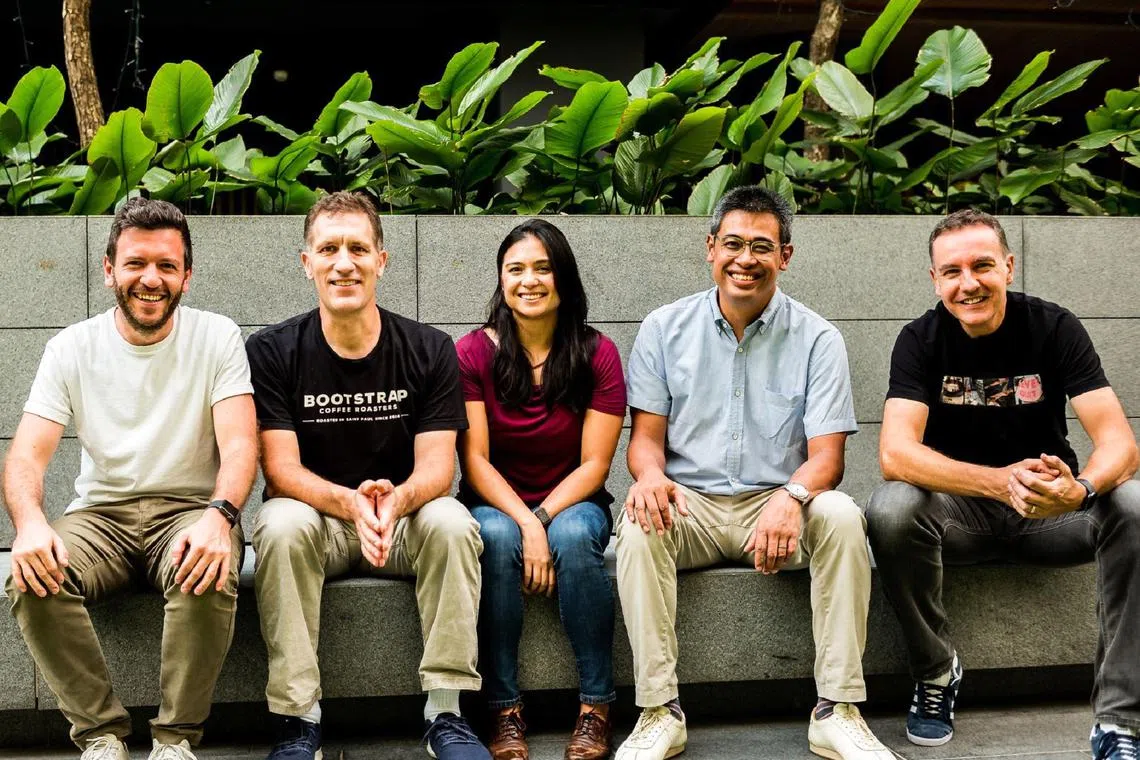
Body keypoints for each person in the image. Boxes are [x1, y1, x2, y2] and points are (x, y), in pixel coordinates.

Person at [614, 185, 893, 760]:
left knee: (841, 516)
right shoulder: (663, 330)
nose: (746, 259)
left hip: (779, 506)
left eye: (762, 247)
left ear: (784, 256)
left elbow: (828, 459)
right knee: (638, 523)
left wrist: (792, 496)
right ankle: (658, 712)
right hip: (689, 505)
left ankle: (837, 710)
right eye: (733, 243)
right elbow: (644, 443)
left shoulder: (818, 339)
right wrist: (648, 478)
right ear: (710, 248)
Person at [865, 209, 1140, 759]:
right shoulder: (920, 340)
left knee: (1134, 502)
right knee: (891, 507)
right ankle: (937, 672)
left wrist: (1080, 490)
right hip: (959, 517)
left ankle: (1119, 720)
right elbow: (895, 454)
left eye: (982, 265)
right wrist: (998, 483)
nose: (969, 283)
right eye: (952, 271)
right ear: (935, 279)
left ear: (1008, 267)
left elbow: (1121, 445)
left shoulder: (1054, 327)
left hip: (1051, 514)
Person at [3, 198, 256, 760]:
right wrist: (30, 524)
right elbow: (26, 454)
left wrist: (221, 517)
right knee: (30, 575)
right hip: (101, 517)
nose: (151, 279)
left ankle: (175, 741)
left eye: (167, 266)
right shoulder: (71, 347)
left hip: (191, 508)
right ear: (109, 269)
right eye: (137, 263)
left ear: (186, 276)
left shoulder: (217, 337)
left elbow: (241, 444)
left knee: (206, 567)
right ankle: (100, 734)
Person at [246, 191, 490, 760]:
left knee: (454, 522)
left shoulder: (430, 349)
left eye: (358, 248)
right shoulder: (273, 350)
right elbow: (280, 469)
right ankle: (297, 719)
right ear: (306, 262)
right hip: (320, 525)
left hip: (401, 522)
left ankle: (446, 713)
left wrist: (396, 499)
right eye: (328, 249)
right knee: (278, 524)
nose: (344, 262)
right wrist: (349, 502)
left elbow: (438, 466)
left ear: (382, 259)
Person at [456, 219, 626, 760]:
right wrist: (528, 522)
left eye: (542, 268)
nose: (529, 281)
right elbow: (474, 460)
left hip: (574, 500)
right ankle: (503, 710)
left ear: (564, 278)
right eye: (515, 270)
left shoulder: (598, 354)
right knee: (498, 538)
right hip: (493, 499)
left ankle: (595, 707)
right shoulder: (472, 353)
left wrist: (546, 514)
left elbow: (596, 463)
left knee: (576, 540)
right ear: (501, 281)